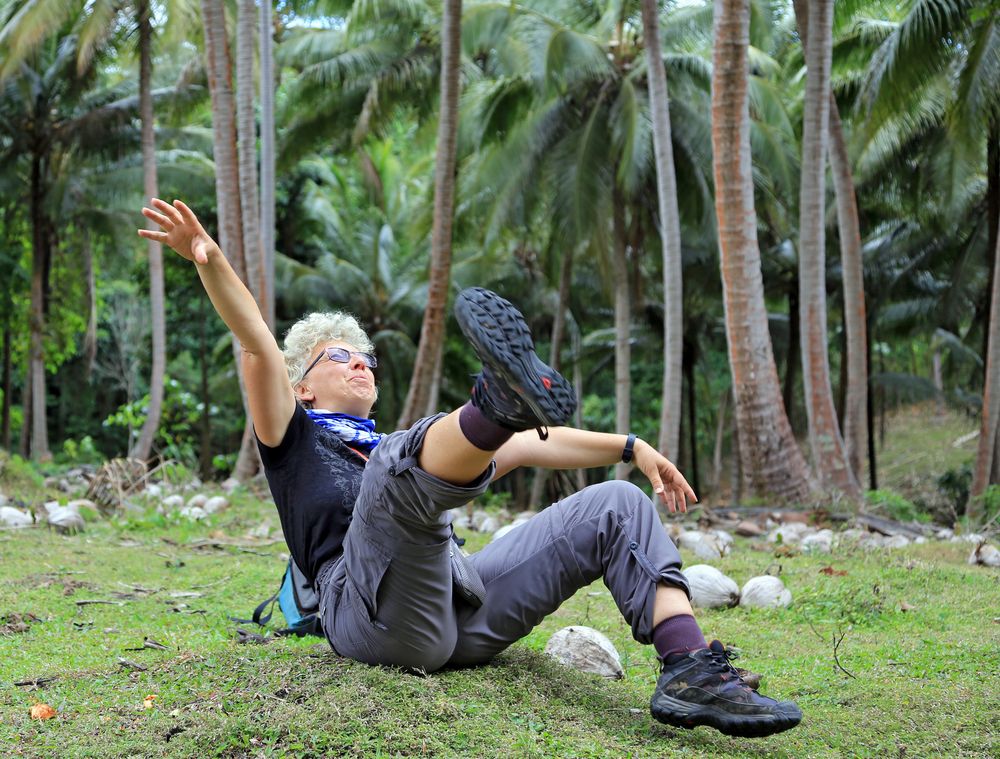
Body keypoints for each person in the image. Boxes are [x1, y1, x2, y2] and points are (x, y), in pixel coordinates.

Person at [139, 198, 803, 738]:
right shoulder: (292, 436)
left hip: (453, 616)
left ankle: (689, 668)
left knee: (617, 506)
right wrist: (209, 257)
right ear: (304, 385)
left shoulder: (393, 446)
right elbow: (255, 340)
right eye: (341, 356)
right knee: (394, 467)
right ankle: (497, 402)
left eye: (366, 356)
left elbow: (531, 447)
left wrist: (630, 448)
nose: (361, 363)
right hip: (366, 616)